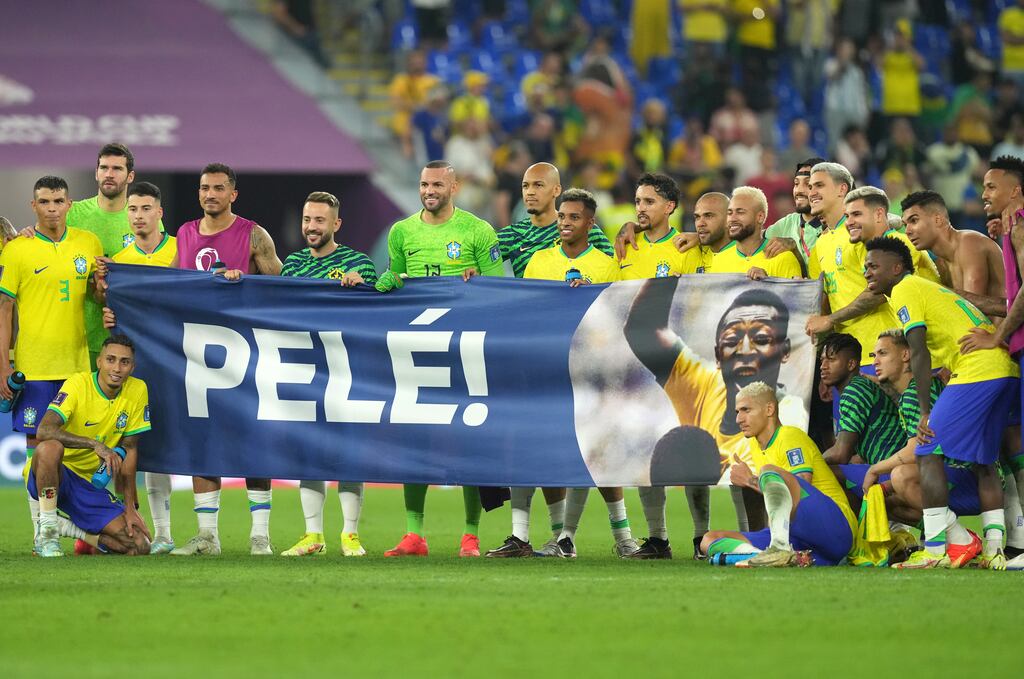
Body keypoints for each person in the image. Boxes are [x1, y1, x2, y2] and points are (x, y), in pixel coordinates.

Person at [488, 189, 638, 559]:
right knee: (539, 451)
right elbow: (529, 311)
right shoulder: (539, 261)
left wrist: (588, 301)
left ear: (590, 223)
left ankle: (624, 538)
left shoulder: (606, 266)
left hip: (592, 374)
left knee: (600, 455)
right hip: (546, 370)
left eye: (574, 218)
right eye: (562, 217)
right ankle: (558, 538)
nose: (565, 223)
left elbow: (618, 318)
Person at [864, 236, 1017, 569]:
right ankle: (993, 550)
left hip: (978, 370)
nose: (867, 273)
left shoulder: (905, 288)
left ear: (897, 268)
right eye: (865, 267)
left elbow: (917, 350)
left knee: (927, 451)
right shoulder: (920, 289)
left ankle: (935, 550)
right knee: (984, 461)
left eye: (874, 266)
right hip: (1004, 369)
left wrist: (924, 411)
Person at [380, 160, 503, 558]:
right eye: (423, 184)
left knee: (464, 440)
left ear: (455, 186)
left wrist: (480, 283)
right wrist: (388, 280)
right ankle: (414, 534)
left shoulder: (478, 231)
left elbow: (502, 289)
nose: (429, 190)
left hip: (465, 348)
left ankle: (470, 535)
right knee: (416, 438)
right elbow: (396, 281)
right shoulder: (401, 232)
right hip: (419, 350)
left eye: (437, 183)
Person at [624, 280, 807, 542]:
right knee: (672, 448)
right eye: (732, 339)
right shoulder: (706, 383)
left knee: (709, 462)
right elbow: (643, 329)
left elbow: (750, 481)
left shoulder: (786, 415)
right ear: (718, 355)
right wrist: (669, 271)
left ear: (784, 350)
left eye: (761, 338)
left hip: (757, 506)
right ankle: (663, 538)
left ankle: (755, 537)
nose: (744, 349)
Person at [169, 163, 283, 557]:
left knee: (253, 441)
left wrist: (247, 281)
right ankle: (207, 536)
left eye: (218, 188)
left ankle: (260, 534)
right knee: (203, 442)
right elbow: (167, 290)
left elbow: (284, 291)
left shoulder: (253, 234)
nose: (210, 194)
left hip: (245, 355)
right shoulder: (183, 234)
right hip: (197, 356)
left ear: (233, 194)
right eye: (204, 188)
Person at [0, 176, 103, 550]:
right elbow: (4, 311)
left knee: (70, 451)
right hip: (35, 368)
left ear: (69, 204)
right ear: (33, 207)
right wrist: (3, 366)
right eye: (44, 202)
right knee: (37, 449)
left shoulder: (87, 244)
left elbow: (101, 293)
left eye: (58, 201)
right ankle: (40, 534)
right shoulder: (17, 251)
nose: (52, 208)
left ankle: (72, 524)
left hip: (77, 367)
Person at [612, 174, 711, 559]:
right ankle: (657, 539)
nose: (640, 208)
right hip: (634, 369)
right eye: (637, 201)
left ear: (670, 206)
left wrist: (702, 236)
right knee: (645, 452)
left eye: (649, 201)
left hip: (683, 365)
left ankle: (701, 538)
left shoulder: (689, 247)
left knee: (693, 451)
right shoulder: (624, 247)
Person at [278, 192, 377, 558]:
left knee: (348, 454)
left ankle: (350, 535)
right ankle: (312, 535)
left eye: (319, 221)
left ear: (336, 224)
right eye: (307, 220)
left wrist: (362, 286)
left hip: (348, 372)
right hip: (306, 371)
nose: (311, 227)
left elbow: (381, 305)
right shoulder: (292, 265)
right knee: (310, 453)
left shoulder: (360, 264)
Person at [699, 381, 856, 567]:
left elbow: (802, 483)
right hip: (800, 538)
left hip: (835, 529)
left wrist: (750, 480)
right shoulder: (754, 446)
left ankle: (778, 549)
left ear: (769, 409)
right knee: (709, 539)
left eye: (746, 410)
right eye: (737, 412)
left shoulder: (789, 436)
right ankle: (774, 557)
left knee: (768, 471)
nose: (738, 419)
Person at [27, 335, 152, 557]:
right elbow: (44, 431)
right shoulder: (78, 384)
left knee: (139, 546)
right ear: (99, 362)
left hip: (90, 486)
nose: (117, 368)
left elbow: (130, 448)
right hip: (57, 474)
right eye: (111, 359)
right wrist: (94, 444)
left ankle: (72, 531)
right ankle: (47, 531)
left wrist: (130, 508)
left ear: (132, 367)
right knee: (49, 447)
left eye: (124, 362)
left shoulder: (137, 389)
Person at [105, 182, 176, 553]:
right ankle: (160, 532)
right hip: (136, 368)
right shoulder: (119, 262)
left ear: (159, 213)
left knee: (173, 444)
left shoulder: (181, 250)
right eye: (132, 209)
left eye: (145, 208)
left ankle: (196, 531)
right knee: (141, 446)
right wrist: (110, 314)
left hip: (180, 364)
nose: (138, 216)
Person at [806, 184, 939, 371]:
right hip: (882, 352)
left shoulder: (898, 244)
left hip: (919, 352)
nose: (849, 222)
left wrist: (830, 319)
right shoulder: (870, 250)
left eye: (856, 215)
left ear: (878, 215)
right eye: (847, 216)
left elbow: (876, 294)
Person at [63, 144, 163, 367]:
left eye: (117, 168)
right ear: (96, 172)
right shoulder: (73, 214)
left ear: (130, 176)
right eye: (104, 167)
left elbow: (158, 272)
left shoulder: (143, 215)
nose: (109, 174)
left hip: (127, 337)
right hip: (78, 339)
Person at [497, 162, 614, 279]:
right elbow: (481, 271)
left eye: (538, 185)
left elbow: (616, 269)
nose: (530, 192)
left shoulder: (583, 229)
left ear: (556, 190)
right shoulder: (511, 235)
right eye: (525, 186)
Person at [902, 190, 1005, 319]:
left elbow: (972, 313)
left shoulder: (969, 243)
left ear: (937, 219)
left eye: (914, 221)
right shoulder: (940, 263)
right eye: (905, 225)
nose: (907, 231)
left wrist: (932, 290)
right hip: (984, 335)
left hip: (1010, 334)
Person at [816, 333, 905, 468]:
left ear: (851, 364)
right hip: (887, 467)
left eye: (831, 360)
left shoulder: (854, 391)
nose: (823, 366)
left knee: (818, 473)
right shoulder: (858, 386)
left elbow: (841, 454)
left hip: (893, 470)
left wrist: (811, 462)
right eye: (822, 360)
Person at [710, 187, 802, 279]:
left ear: (760, 217)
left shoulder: (783, 258)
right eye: (729, 213)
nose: (732, 219)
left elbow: (794, 293)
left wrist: (768, 282)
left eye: (740, 212)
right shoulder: (718, 260)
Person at [763, 157, 827, 266]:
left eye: (808, 184)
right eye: (796, 184)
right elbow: (754, 241)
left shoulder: (838, 226)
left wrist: (794, 250)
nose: (799, 190)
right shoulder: (787, 223)